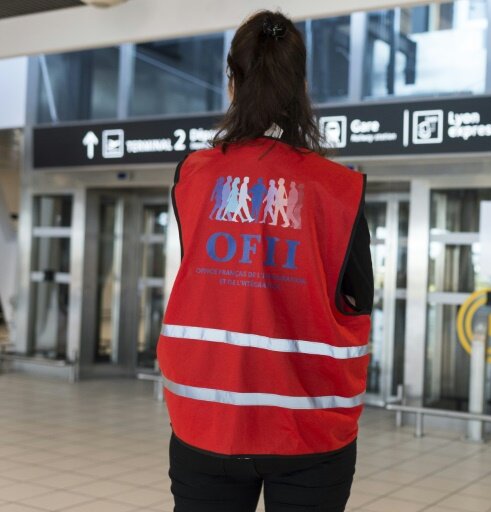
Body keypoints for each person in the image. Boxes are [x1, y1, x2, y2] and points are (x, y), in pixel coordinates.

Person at [157, 10, 373, 512]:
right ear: (301, 86)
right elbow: (358, 301)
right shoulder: (340, 188)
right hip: (310, 426)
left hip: (206, 418)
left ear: (232, 81)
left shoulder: (192, 176)